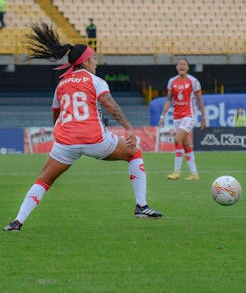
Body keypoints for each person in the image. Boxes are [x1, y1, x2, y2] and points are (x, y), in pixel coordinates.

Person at [3, 22, 162, 231]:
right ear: (85, 61)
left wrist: (61, 136)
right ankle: (141, 206)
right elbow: (110, 105)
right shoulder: (95, 81)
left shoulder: (61, 83)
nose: (96, 61)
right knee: (134, 153)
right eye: (93, 58)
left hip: (66, 143)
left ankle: (17, 222)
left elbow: (56, 114)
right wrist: (128, 128)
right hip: (95, 139)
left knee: (43, 181)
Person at [159, 58, 206, 181]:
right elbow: (169, 100)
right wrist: (162, 116)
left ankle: (176, 171)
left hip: (189, 115)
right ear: (176, 67)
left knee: (177, 139)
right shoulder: (172, 82)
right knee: (186, 144)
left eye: (184, 64)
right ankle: (194, 174)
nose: (182, 66)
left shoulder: (193, 81)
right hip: (177, 117)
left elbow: (200, 99)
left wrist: (203, 117)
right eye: (180, 64)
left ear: (188, 67)